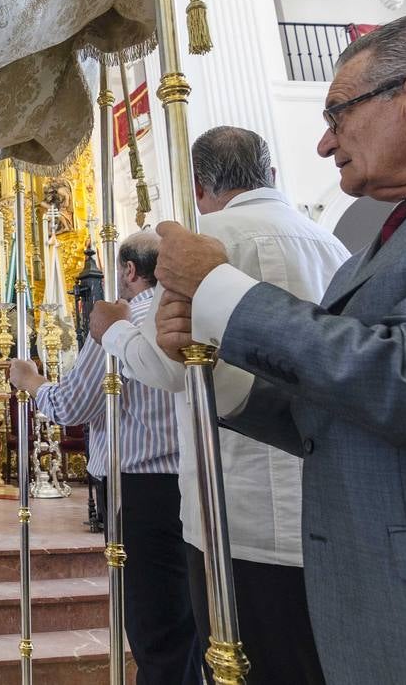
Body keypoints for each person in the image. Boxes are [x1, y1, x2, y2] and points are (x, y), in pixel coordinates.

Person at [153, 9, 406, 683]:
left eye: (338, 115)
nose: (323, 145)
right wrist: (213, 369)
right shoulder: (398, 230)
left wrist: (218, 287)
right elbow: (343, 406)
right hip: (381, 592)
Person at [97, 127, 347, 683]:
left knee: (238, 656)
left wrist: (115, 333)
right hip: (330, 500)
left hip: (236, 500)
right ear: (271, 176)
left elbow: (172, 367)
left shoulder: (199, 246)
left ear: (200, 185)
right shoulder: (329, 241)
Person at [10, 231, 200, 685]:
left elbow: (73, 406)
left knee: (155, 627)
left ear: (129, 271)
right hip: (200, 479)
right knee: (193, 622)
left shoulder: (120, 320)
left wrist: (32, 382)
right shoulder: (193, 309)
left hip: (143, 488)